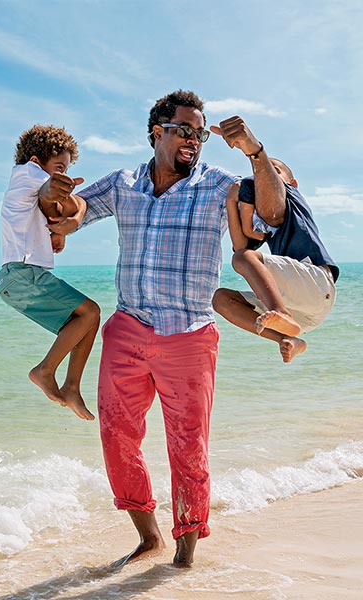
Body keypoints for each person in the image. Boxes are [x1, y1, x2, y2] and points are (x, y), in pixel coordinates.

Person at [39, 90, 285, 567]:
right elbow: (73, 215)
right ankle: (148, 537)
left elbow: (270, 216)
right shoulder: (124, 183)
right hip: (128, 327)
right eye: (185, 130)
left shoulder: (220, 185)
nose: (194, 140)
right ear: (158, 132)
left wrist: (256, 153)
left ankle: (185, 551)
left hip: (190, 335)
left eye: (200, 133)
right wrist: (57, 198)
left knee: (188, 446)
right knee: (116, 436)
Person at [0, 124, 100, 420]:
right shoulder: (27, 173)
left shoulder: (26, 188)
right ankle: (45, 370)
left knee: (85, 322)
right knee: (91, 311)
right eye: (59, 167)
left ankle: (71, 387)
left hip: (17, 278)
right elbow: (66, 199)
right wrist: (75, 213)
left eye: (66, 169)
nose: (64, 175)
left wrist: (59, 229)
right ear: (35, 161)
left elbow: (58, 204)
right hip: (23, 273)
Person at [213, 158, 339, 363]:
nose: (264, 176)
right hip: (301, 313)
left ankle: (280, 312)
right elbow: (241, 247)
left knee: (243, 258)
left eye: (275, 171)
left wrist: (253, 176)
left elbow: (243, 255)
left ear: (293, 183)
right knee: (221, 299)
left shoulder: (292, 197)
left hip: (317, 284)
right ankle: (287, 338)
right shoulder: (268, 223)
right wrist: (230, 202)